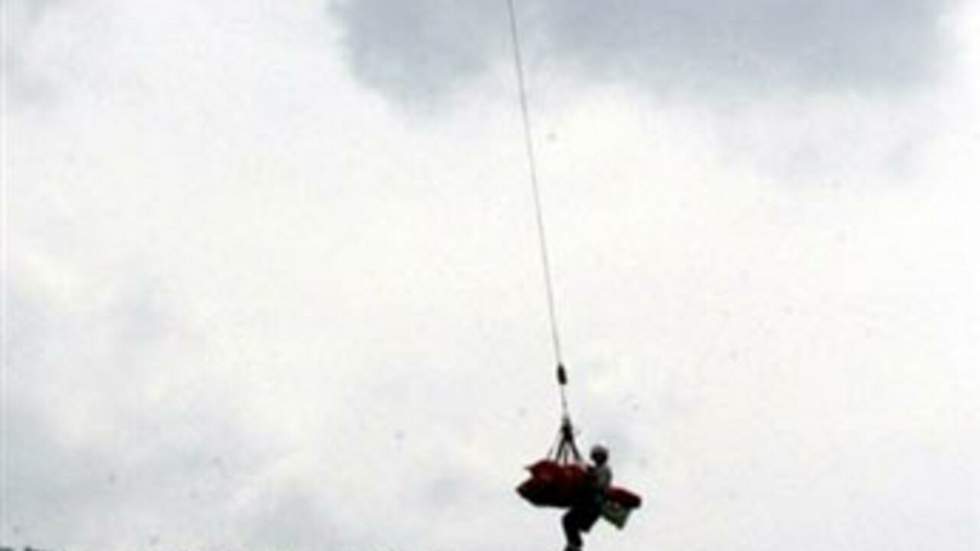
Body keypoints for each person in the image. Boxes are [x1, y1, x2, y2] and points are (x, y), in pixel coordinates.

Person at [562, 444, 612, 551]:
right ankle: (574, 544)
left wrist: (589, 480)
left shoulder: (604, 470)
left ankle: (575, 544)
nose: (596, 458)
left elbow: (600, 486)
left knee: (568, 520)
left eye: (599, 455)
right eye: (595, 456)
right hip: (588, 503)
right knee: (569, 521)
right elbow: (581, 464)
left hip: (593, 503)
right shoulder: (594, 469)